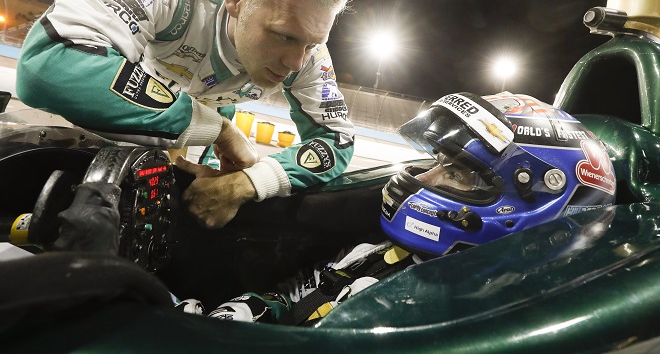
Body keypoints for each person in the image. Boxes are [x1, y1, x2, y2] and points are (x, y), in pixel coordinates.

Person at [16, 0, 355, 228]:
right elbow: (48, 62)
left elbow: (337, 139)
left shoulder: (309, 52)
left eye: (312, 43)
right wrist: (220, 131)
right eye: (284, 36)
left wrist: (249, 182)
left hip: (191, 123)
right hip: (91, 125)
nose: (297, 63)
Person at [181, 92, 617, 324]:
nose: (424, 180)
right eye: (438, 162)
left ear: (533, 208)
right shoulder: (382, 252)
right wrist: (245, 313)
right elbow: (296, 300)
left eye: (457, 173)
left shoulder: (462, 321)